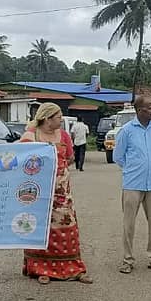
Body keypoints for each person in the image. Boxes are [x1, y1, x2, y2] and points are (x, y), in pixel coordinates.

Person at [19, 103, 93, 284]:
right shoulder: (30, 137)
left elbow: (69, 157)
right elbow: (21, 162)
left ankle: (73, 268)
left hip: (62, 192)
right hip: (39, 193)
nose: (61, 120)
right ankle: (40, 269)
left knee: (67, 225)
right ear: (47, 118)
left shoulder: (64, 136)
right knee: (42, 227)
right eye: (59, 117)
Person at [114, 95, 151, 275]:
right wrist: (133, 168)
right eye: (150, 108)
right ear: (139, 110)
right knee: (129, 224)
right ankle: (127, 260)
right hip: (132, 183)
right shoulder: (127, 130)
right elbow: (118, 157)